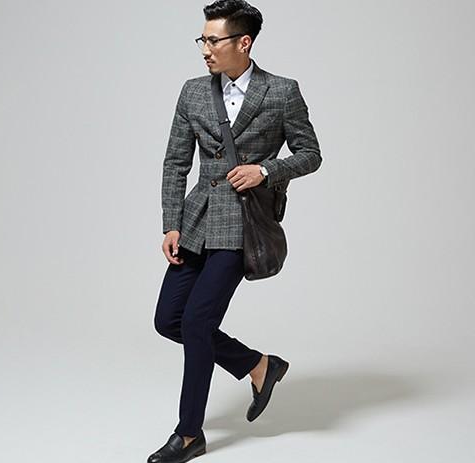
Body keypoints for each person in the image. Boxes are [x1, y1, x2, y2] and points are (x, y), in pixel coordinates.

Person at [149, 1, 322, 461]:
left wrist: (264, 171)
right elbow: (175, 162)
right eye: (202, 40)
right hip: (195, 221)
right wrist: (171, 222)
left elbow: (310, 153)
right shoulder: (192, 92)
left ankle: (189, 434)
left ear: (243, 43)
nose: (204, 49)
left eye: (213, 40)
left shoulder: (281, 91)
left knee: (197, 322)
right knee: (168, 320)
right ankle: (259, 365)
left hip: (241, 224)